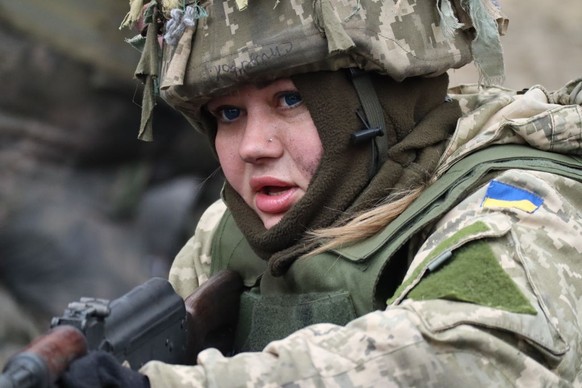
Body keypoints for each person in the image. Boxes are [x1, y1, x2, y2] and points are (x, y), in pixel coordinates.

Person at [58, 0, 582, 386]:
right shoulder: (227, 234)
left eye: (289, 100)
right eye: (229, 114)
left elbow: (471, 357)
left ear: (379, 104)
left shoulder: (516, 204)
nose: (251, 148)